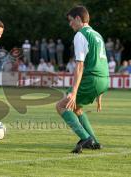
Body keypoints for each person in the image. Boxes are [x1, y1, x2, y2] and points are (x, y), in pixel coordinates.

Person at [56, 6, 109, 153]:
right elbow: (102, 62)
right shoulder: (97, 35)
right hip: (103, 79)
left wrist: (73, 91)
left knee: (61, 106)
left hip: (92, 78)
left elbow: (80, 65)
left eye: (71, 20)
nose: (70, 24)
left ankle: (85, 138)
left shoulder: (81, 35)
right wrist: (100, 92)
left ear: (78, 19)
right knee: (77, 108)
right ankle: (94, 142)